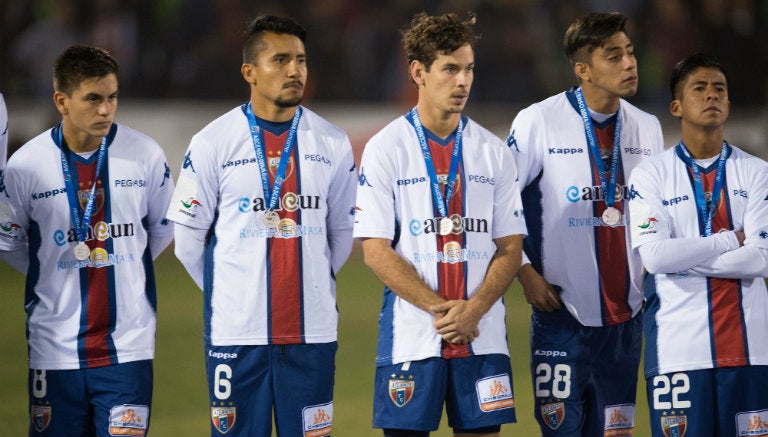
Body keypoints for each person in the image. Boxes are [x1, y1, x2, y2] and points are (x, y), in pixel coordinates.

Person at [165, 15, 357, 437]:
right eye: (281, 60)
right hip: (236, 333)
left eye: (302, 60)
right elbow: (188, 240)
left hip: (312, 332)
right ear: (249, 72)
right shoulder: (212, 142)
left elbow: (342, 234)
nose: (295, 71)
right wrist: (232, 294)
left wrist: (310, 282)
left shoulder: (332, 142)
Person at [353, 12, 527, 437]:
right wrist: (444, 311)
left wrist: (475, 310)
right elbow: (374, 249)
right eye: (450, 69)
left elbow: (510, 247)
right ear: (418, 72)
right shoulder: (386, 148)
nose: (463, 81)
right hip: (412, 338)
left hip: (482, 338)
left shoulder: (493, 151)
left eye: (468, 69)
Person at [0, 45, 174, 437]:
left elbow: (162, 229)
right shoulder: (25, 166)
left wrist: (120, 263)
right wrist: (56, 270)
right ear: (61, 100)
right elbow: (9, 242)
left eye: (112, 97)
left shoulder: (145, 154)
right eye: (93, 99)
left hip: (127, 347)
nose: (105, 110)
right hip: (53, 346)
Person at [507, 12, 664, 437]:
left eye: (629, 52)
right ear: (583, 70)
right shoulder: (537, 121)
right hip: (560, 312)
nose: (629, 63)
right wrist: (524, 274)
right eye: (614, 56)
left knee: (615, 432)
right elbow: (500, 205)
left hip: (626, 316)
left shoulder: (648, 128)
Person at [628, 53, 768, 437]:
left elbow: (760, 258)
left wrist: (684, 258)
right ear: (676, 106)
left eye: (719, 89)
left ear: (728, 103)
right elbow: (655, 257)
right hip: (676, 352)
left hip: (750, 350)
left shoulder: (757, 173)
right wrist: (726, 240)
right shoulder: (651, 174)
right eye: (700, 88)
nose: (711, 95)